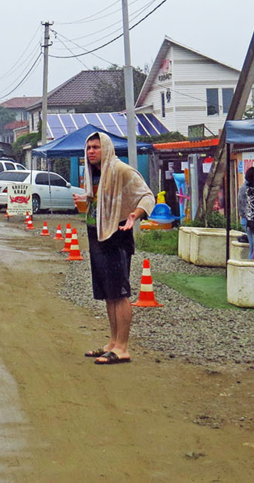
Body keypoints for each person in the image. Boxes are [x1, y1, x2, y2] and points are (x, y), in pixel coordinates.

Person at [71, 132, 153, 365]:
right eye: (88, 148)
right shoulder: (94, 173)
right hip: (97, 234)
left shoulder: (120, 169)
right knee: (108, 293)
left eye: (96, 147)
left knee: (119, 293)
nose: (91, 152)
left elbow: (147, 196)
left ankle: (122, 348)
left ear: (106, 148)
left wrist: (134, 216)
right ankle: (112, 343)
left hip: (117, 235)